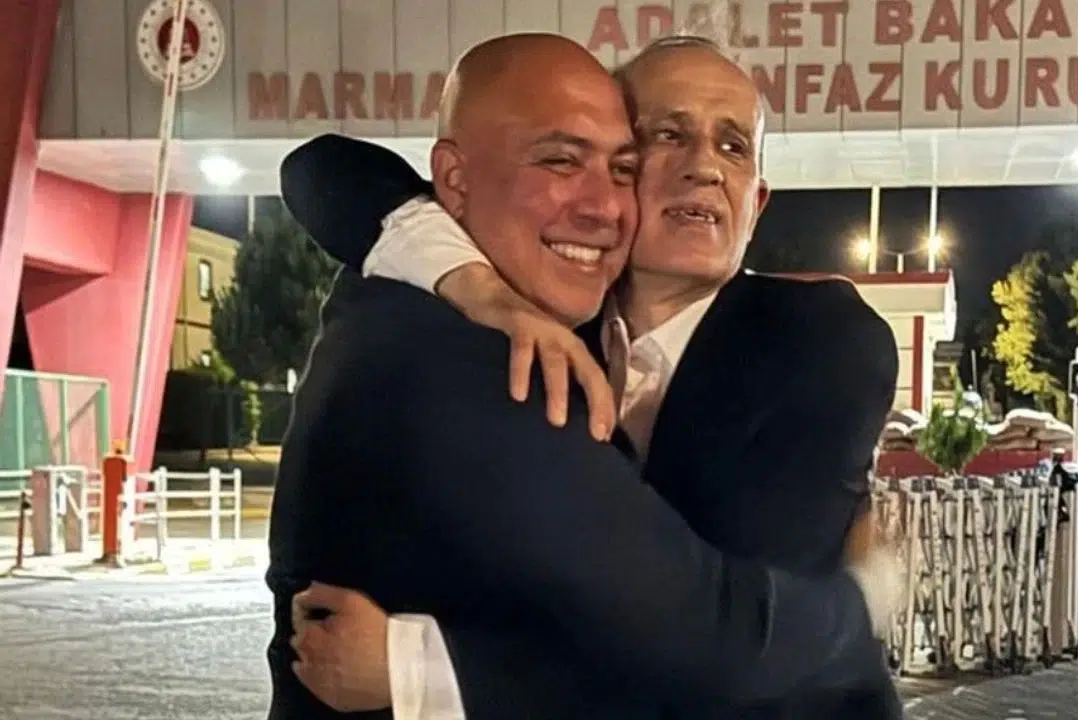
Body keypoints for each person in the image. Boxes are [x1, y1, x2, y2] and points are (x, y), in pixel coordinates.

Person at [268, 32, 900, 720]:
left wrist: (426, 668)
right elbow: (325, 170)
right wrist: (480, 288)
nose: (704, 168)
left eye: (733, 146)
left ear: (759, 200)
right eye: (668, 136)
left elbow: (724, 648)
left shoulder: (816, 337)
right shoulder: (520, 321)